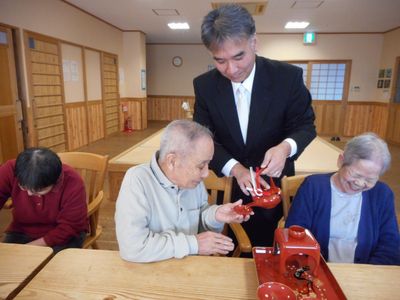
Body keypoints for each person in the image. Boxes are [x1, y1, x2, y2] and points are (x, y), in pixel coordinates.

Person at [193, 4, 316, 247]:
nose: (232, 69)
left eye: (239, 56)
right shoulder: (205, 86)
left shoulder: (286, 77)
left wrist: (284, 148)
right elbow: (203, 138)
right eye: (220, 61)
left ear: (254, 42)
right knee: (223, 247)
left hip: (270, 184)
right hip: (225, 183)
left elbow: (305, 125)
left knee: (266, 245)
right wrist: (236, 169)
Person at [115, 119, 250, 263]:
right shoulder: (137, 180)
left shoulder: (192, 182)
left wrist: (215, 215)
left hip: (190, 269)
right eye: (201, 166)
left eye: (208, 164)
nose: (206, 173)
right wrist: (194, 244)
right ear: (172, 161)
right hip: (150, 272)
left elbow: (200, 221)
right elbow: (132, 248)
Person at [286, 133, 400, 265]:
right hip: (317, 269)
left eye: (370, 179)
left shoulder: (382, 194)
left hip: (365, 273)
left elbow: (390, 245)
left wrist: (367, 274)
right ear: (341, 161)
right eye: (355, 174)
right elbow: (295, 234)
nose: (360, 183)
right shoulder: (313, 187)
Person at [0, 147, 88, 252]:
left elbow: (69, 227)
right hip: (22, 231)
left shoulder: (73, 182)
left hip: (63, 235)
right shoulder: (10, 169)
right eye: (23, 187)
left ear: (56, 180)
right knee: (8, 261)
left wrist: (27, 249)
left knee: (55, 267)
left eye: (39, 190)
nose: (29, 193)